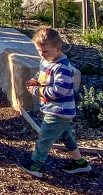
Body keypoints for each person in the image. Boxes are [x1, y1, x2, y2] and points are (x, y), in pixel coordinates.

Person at [17, 26, 91, 178]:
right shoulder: (47, 61)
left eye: (45, 52)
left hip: (59, 111)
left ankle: (36, 163)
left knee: (45, 137)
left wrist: (38, 91)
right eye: (39, 51)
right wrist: (35, 81)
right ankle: (80, 163)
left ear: (58, 48)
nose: (42, 55)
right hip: (52, 108)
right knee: (67, 137)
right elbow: (42, 74)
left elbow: (58, 91)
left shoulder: (62, 67)